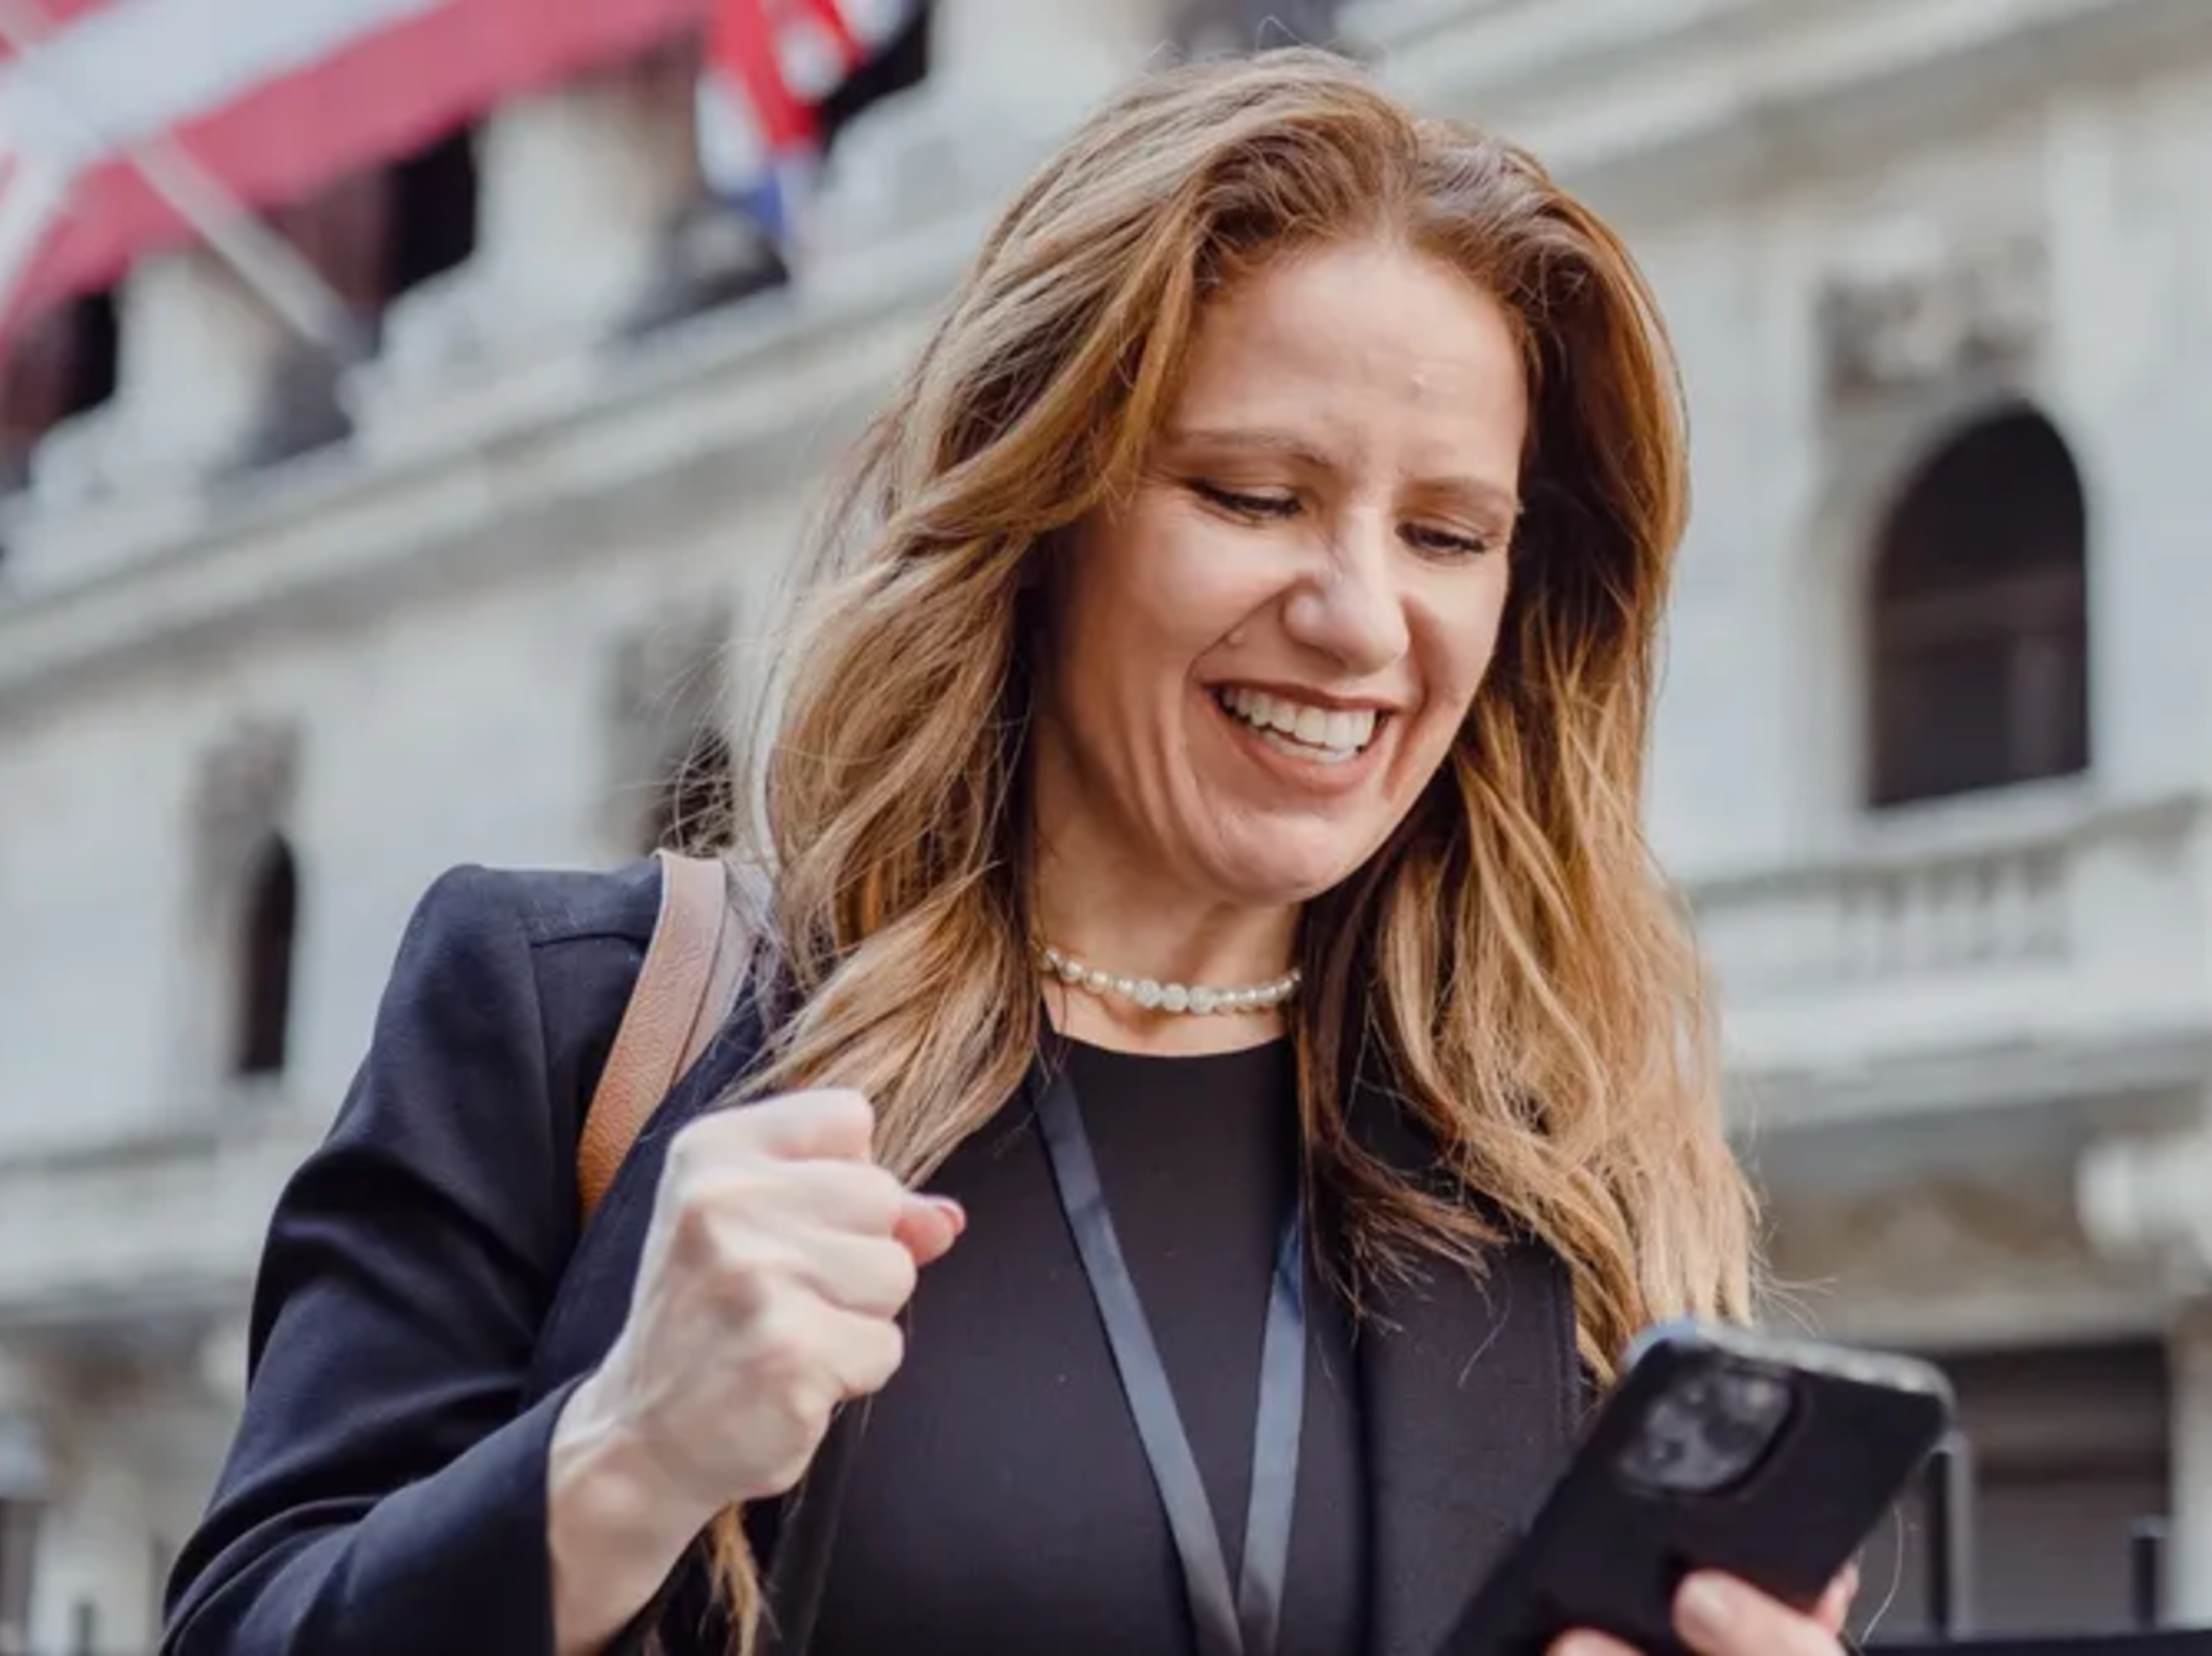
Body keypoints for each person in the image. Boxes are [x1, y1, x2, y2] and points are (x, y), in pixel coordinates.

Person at [161, 46, 1863, 1656]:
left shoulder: (1555, 1168)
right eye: (1251, 497)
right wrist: (622, 1454)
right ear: (1041, 507)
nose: (1360, 619)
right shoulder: (569, 1018)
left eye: (1446, 533)